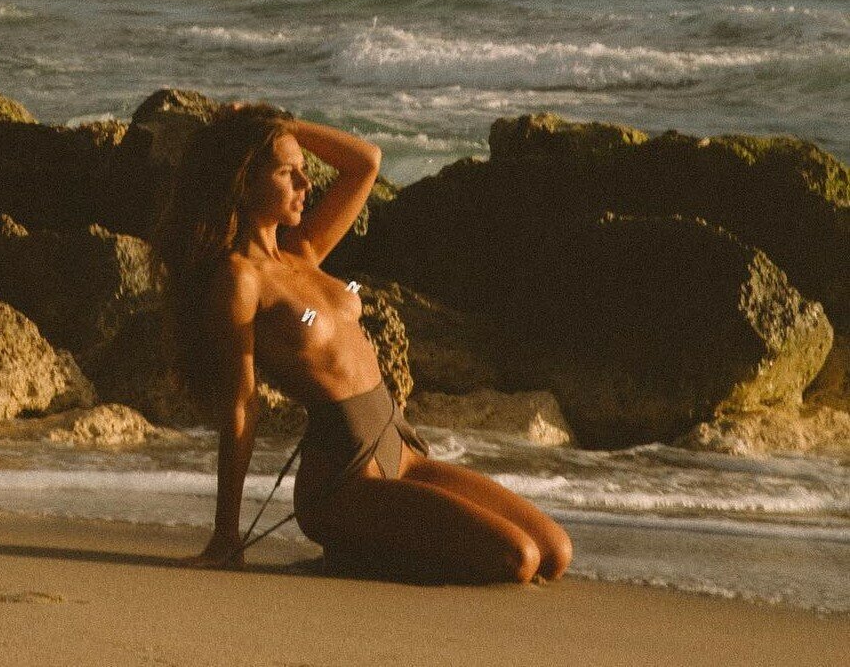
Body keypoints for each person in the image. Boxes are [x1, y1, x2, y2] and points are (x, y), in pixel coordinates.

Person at [149, 101, 572, 584]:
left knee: (554, 552)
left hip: (400, 448)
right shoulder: (239, 279)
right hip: (343, 476)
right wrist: (227, 534)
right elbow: (241, 406)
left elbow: (365, 162)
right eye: (287, 173)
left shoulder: (303, 253)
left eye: (303, 170)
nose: (306, 184)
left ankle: (363, 550)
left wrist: (283, 126)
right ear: (243, 184)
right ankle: (353, 550)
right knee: (517, 560)